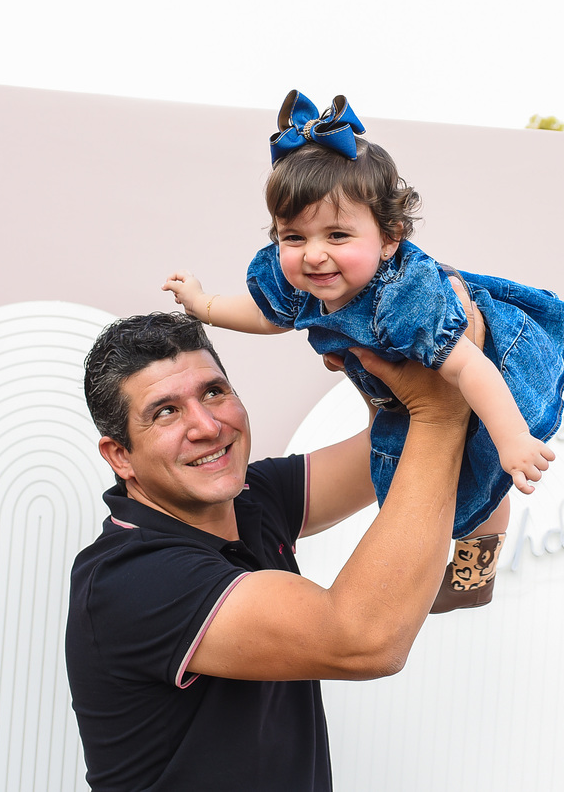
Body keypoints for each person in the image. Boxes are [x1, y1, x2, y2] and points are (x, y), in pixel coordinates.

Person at [163, 89, 564, 613]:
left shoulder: (406, 300)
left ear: (389, 238)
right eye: (293, 237)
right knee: (418, 480)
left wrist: (512, 438)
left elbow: (469, 367)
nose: (314, 255)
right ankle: (451, 570)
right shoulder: (303, 280)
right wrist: (204, 305)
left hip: (488, 373)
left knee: (482, 471)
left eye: (338, 235)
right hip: (407, 388)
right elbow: (270, 315)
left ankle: (477, 567)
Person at [66, 306, 477, 792]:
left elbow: (395, 449)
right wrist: (441, 413)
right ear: (120, 456)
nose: (207, 426)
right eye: (166, 412)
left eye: (213, 392)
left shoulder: (251, 497)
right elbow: (366, 639)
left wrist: (370, 358)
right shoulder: (130, 578)